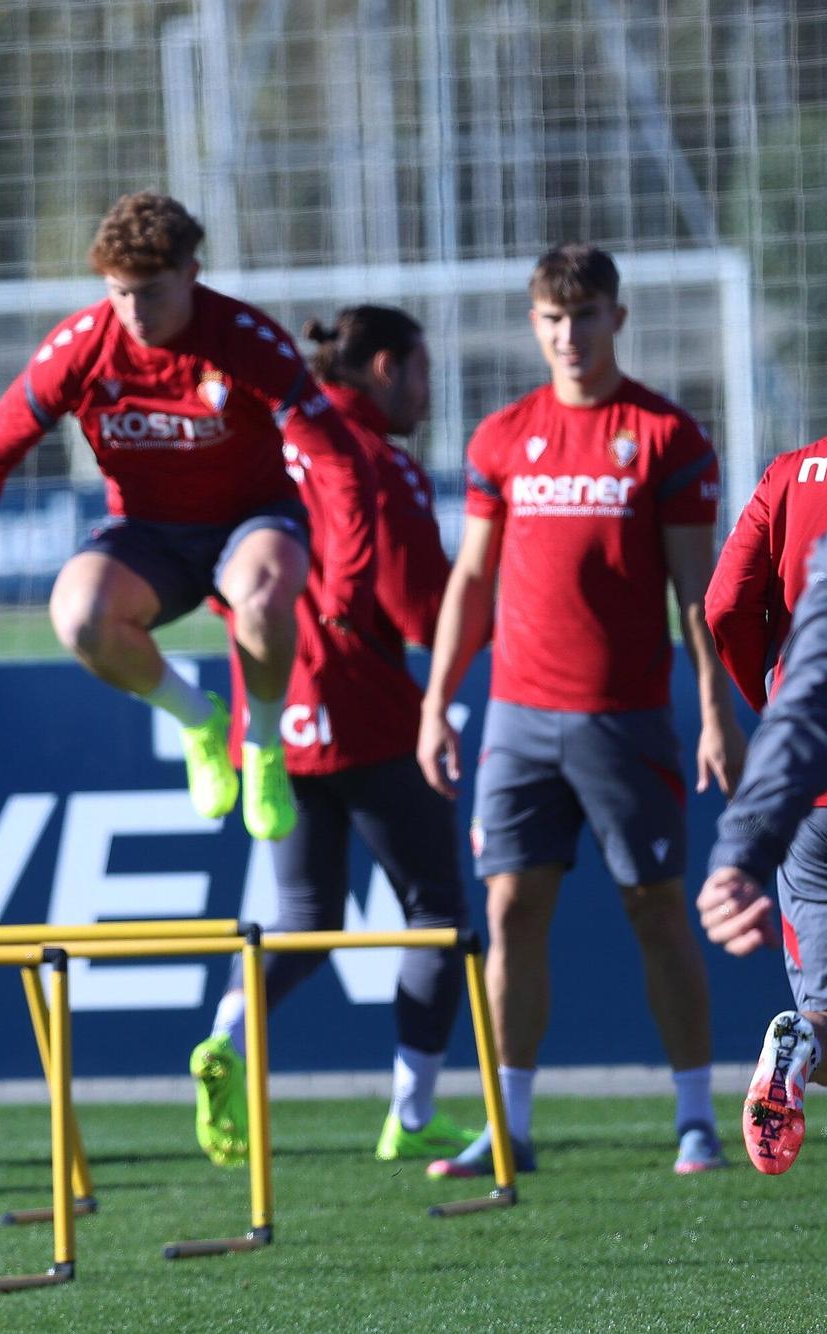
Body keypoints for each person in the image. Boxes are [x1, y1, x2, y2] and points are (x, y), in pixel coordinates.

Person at [417, 243, 745, 1179]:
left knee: (655, 907)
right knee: (511, 909)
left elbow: (697, 595)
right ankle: (508, 1124)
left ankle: (695, 1118)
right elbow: (471, 579)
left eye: (586, 315)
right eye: (554, 319)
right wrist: (437, 703)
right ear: (535, 324)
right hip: (518, 718)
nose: (570, 335)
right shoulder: (502, 437)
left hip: (625, 719)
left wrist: (716, 711)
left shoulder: (666, 436)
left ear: (617, 319)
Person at [0, 192, 377, 847]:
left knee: (260, 598)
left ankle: (262, 744)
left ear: (190, 273)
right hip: (148, 533)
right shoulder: (82, 346)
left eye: (151, 292)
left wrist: (348, 582)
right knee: (78, 616)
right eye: (119, 293)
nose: (135, 311)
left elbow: (340, 460)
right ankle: (199, 720)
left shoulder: (242, 339)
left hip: (253, 521)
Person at [189, 306, 474, 1168]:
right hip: (367, 714)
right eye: (422, 372)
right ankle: (413, 1113)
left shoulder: (260, 452)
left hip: (272, 719)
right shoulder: (376, 462)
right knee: (436, 913)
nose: (427, 392)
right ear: (385, 367)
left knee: (304, 917)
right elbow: (421, 611)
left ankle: (227, 1035)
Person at [700, 427, 827, 1173]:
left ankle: (805, 1042)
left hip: (825, 795)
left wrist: (770, 711)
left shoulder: (800, 471)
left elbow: (727, 605)